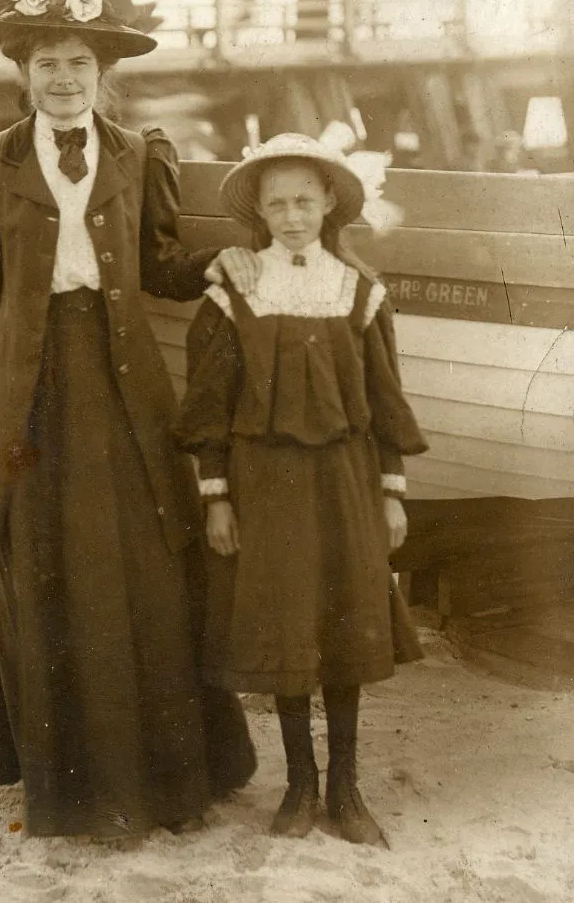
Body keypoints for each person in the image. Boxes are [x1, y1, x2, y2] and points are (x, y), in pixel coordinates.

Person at [0, 0, 259, 838]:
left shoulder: (136, 153)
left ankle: (171, 781)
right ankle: (72, 792)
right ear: (23, 72)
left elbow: (158, 265)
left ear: (103, 70)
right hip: (25, 393)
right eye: (48, 65)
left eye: (80, 63)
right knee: (43, 576)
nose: (65, 78)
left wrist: (219, 262)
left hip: (122, 387)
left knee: (149, 569)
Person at [177, 134, 429, 846]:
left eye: (304, 201)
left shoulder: (359, 291)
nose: (292, 215)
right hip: (265, 486)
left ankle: (345, 788)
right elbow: (208, 407)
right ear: (258, 212)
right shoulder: (235, 291)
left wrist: (391, 491)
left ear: (328, 206)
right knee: (288, 624)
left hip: (345, 482)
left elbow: (385, 399)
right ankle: (299, 784)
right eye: (277, 203)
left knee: (343, 623)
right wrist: (217, 495)